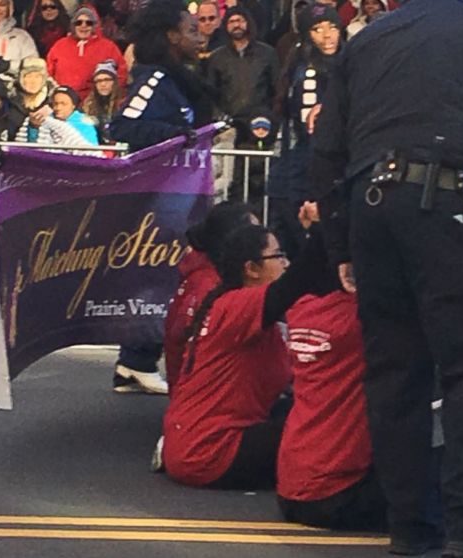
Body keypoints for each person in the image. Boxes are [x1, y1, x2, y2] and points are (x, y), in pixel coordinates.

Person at [310, 0, 463, 555]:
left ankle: (411, 530)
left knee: (396, 375)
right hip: (449, 200)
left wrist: (340, 242)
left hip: (373, 200)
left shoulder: (369, 39)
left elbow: (327, 147)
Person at [161, 222, 333, 489]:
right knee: (320, 428)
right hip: (211, 453)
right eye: (278, 256)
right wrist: (325, 227)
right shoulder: (237, 306)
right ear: (251, 269)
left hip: (198, 440)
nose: (285, 263)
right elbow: (294, 284)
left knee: (310, 410)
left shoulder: (240, 311)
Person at [108, 0, 212, 394]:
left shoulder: (179, 80)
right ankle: (137, 358)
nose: (199, 34)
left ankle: (133, 362)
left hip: (177, 200)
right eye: (191, 30)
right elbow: (122, 125)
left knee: (164, 279)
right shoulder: (152, 79)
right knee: (161, 279)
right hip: (154, 202)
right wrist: (176, 137)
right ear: (171, 36)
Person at [278, 215, 387, 532]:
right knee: (451, 467)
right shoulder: (363, 319)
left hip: (291, 488)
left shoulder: (302, 309)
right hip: (338, 493)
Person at [267, 2, 341, 259]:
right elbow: (310, 129)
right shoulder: (308, 72)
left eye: (332, 27)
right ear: (307, 35)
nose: (327, 35)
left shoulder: (330, 68)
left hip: (296, 176)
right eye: (318, 29)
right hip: (303, 178)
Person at [163, 201, 258, 397]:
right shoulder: (211, 288)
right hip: (210, 404)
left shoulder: (202, 275)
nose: (264, 241)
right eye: (255, 236)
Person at [205, 6, 278, 146]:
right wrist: (220, 117)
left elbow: (276, 89)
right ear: (225, 26)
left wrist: (270, 116)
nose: (236, 25)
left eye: (240, 20)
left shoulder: (267, 53)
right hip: (228, 125)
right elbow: (210, 93)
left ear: (248, 23)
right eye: (231, 21)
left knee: (257, 164)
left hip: (260, 123)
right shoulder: (217, 57)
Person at [46, 5, 127, 101]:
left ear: (94, 26)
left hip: (96, 102)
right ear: (73, 25)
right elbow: (48, 73)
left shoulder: (108, 47)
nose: (83, 26)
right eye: (79, 22)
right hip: (64, 100)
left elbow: (122, 74)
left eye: (88, 23)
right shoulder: (59, 45)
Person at [8, 55, 57, 140]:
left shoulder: (53, 103)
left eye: (38, 77)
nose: (33, 81)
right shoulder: (10, 101)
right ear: (21, 78)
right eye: (29, 76)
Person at [81, 60, 122, 143]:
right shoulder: (88, 105)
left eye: (107, 79)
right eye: (98, 81)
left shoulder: (123, 103)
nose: (103, 84)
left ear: (114, 82)